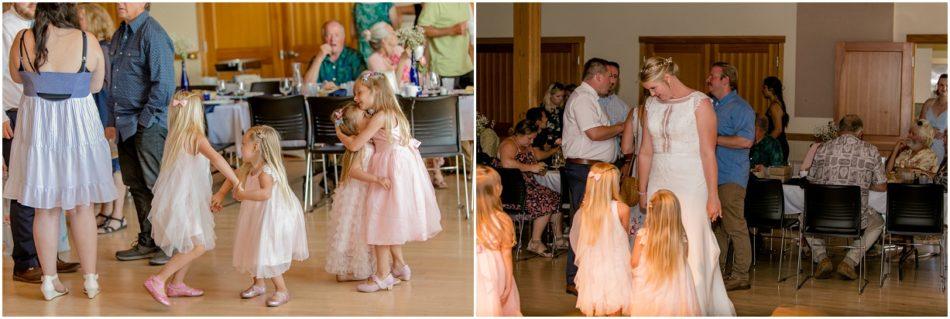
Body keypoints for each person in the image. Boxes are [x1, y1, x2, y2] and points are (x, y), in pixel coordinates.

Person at [5, 2, 115, 300]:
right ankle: (91, 281)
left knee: (45, 207)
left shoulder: (22, 40)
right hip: (78, 127)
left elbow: (16, 78)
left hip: (38, 126)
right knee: (82, 206)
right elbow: (94, 86)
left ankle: (49, 281)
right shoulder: (86, 40)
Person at [637, 57, 735, 315]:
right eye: (649, 90)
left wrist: (713, 195)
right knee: (659, 243)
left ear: (667, 79)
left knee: (692, 240)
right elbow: (645, 151)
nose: (651, 93)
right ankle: (661, 305)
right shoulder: (650, 104)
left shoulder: (700, 103)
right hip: (660, 181)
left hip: (692, 183)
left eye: (654, 87)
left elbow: (707, 153)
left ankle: (694, 306)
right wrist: (642, 189)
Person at [334, 71, 442, 292]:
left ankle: (383, 276)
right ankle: (399, 266)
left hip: (389, 168)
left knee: (380, 219)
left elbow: (355, 146)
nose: (356, 97)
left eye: (359, 93)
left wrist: (339, 132)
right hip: (401, 166)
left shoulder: (380, 117)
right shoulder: (393, 112)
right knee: (389, 218)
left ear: (375, 91)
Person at [2, 1, 81, 284]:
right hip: (12, 114)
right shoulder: (4, 27)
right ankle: (26, 261)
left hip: (40, 112)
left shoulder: (42, 27)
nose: (31, 2)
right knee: (27, 190)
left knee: (49, 189)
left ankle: (48, 257)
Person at [141, 91, 242, 306]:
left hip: (180, 198)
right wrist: (236, 181)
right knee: (198, 245)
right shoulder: (197, 138)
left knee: (188, 243)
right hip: (185, 201)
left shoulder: (175, 136)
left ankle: (177, 284)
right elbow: (217, 159)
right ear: (196, 114)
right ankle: (158, 279)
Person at [108, 2, 176, 266]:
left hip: (146, 124)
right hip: (124, 124)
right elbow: (114, 82)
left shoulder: (153, 33)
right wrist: (112, 120)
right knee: (135, 185)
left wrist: (144, 122)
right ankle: (148, 240)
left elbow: (164, 86)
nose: (119, 2)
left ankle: (169, 244)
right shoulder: (120, 33)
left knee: (156, 186)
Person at [212, 125, 309, 307]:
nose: (240, 147)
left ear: (256, 147)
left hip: (273, 215)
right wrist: (220, 194)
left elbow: (265, 194)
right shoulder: (249, 166)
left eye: (243, 144)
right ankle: (258, 284)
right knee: (252, 245)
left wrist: (242, 195)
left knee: (266, 250)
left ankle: (282, 290)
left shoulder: (266, 170)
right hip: (256, 213)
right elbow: (232, 177)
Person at [562, 58, 623, 296]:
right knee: (583, 224)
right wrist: (621, 126)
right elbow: (595, 133)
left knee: (593, 224)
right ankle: (574, 278)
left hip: (595, 169)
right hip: (585, 170)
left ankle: (589, 274)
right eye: (609, 77)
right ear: (598, 76)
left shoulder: (590, 99)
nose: (612, 82)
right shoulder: (583, 99)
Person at [806, 114, 887, 281]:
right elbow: (882, 186)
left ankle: (822, 258)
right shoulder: (871, 150)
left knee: (803, 216)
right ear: (860, 132)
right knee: (878, 223)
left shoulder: (823, 148)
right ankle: (850, 260)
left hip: (824, 216)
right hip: (855, 217)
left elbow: (811, 180)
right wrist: (865, 184)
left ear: (839, 131)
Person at [77, 2, 128, 235]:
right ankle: (107, 210)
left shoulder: (104, 49)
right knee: (105, 164)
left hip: (107, 111)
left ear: (92, 20)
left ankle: (118, 214)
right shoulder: (95, 45)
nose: (77, 21)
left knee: (115, 165)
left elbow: (106, 88)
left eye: (81, 17)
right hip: (99, 108)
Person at [322, 103, 386, 282]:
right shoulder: (360, 147)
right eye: (364, 117)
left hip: (360, 190)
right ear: (355, 128)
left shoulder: (363, 142)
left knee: (358, 228)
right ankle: (349, 268)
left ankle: (358, 265)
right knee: (354, 228)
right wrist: (376, 179)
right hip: (357, 193)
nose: (369, 118)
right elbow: (353, 171)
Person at [707, 61, 755, 292]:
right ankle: (718, 272)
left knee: (735, 226)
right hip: (712, 176)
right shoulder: (711, 106)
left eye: (713, 76)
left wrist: (712, 139)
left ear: (726, 80)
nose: (709, 79)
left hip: (731, 176)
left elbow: (746, 141)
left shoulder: (740, 108)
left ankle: (741, 275)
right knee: (718, 229)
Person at [569, 163, 632, 316]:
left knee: (593, 306)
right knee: (615, 305)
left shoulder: (584, 210)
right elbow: (625, 237)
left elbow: (575, 238)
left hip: (591, 267)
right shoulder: (622, 209)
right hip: (615, 267)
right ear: (613, 185)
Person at [629, 190, 702, 316]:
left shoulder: (643, 235)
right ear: (676, 213)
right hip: (675, 288)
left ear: (652, 212)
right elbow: (684, 258)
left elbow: (634, 262)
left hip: (649, 285)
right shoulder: (682, 238)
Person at [497, 120, 564, 257]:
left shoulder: (526, 146)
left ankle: (558, 238)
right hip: (514, 191)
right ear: (519, 134)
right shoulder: (509, 144)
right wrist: (531, 167)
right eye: (529, 138)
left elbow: (540, 155)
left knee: (556, 197)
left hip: (527, 186)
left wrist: (555, 149)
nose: (532, 141)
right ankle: (535, 241)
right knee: (546, 198)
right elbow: (506, 163)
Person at [475, 165, 522, 317]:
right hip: (495, 270)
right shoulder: (502, 219)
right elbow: (506, 253)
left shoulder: (473, 221)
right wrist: (508, 282)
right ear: (497, 190)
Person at [417, 3, 473, 89]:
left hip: (467, 68)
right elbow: (421, 29)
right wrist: (451, 30)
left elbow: (468, 35)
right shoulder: (434, 4)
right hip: (444, 71)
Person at [303, 20, 366, 87]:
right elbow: (306, 87)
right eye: (328, 35)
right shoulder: (317, 58)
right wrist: (319, 58)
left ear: (343, 37)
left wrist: (337, 88)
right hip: (323, 97)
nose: (333, 39)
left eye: (337, 35)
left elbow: (364, 84)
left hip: (348, 97)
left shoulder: (354, 57)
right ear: (323, 38)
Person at [363, 22, 410, 91]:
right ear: (384, 40)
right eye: (392, 33)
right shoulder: (374, 60)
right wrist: (402, 61)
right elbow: (391, 87)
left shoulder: (398, 50)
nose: (395, 34)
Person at [919, 74, 947, 164]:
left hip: (943, 149)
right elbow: (919, 125)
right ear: (937, 86)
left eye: (947, 85)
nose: (944, 88)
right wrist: (931, 130)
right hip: (924, 147)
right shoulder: (928, 103)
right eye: (941, 85)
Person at [762, 76, 790, 164]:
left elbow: (778, 130)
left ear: (771, 89)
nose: (763, 90)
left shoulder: (775, 106)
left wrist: (764, 144)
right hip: (778, 144)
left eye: (764, 87)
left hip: (777, 146)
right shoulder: (778, 104)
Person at [599, 61, 631, 126]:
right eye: (609, 76)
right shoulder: (591, 100)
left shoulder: (624, 108)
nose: (612, 81)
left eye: (615, 76)